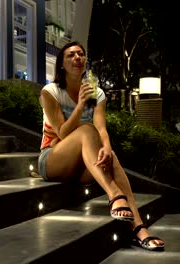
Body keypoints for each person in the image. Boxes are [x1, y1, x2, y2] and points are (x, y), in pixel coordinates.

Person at [37, 40, 165, 251]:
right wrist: (79, 105)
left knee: (111, 155)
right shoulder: (50, 92)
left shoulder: (97, 94)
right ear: (61, 64)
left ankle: (139, 229)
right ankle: (114, 195)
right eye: (71, 55)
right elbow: (62, 133)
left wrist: (105, 147)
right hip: (52, 159)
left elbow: (101, 128)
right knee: (86, 130)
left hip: (82, 164)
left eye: (81, 54)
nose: (77, 58)